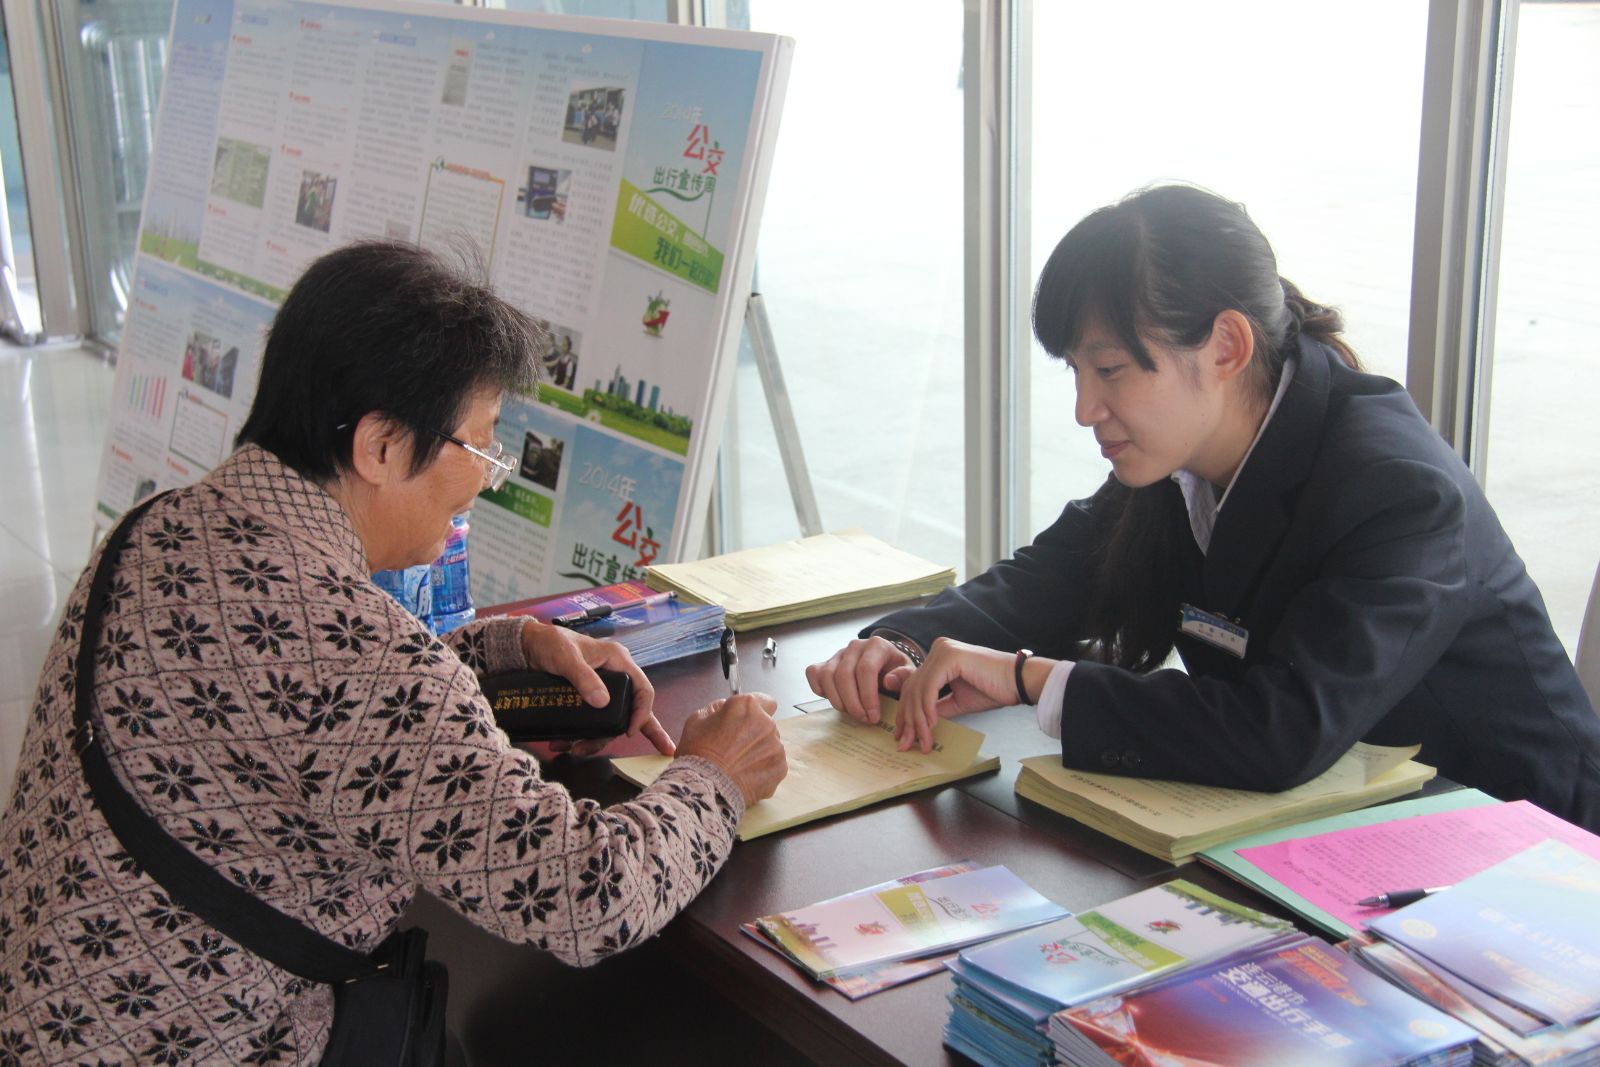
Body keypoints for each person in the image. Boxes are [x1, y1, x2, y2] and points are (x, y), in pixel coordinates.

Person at [0, 240, 787, 1063]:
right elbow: (591, 897)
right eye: (480, 447)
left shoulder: (151, 532)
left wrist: (504, 645)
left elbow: (289, 708)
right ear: (379, 446)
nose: (484, 481)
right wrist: (716, 774)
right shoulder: (364, 663)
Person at [807, 184, 1600, 832]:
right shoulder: (1184, 456)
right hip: (1338, 834)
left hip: (1521, 859)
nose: (1085, 409)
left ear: (1226, 346)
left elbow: (1281, 728)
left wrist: (1027, 679)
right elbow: (1050, 577)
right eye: (1076, 372)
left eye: (1111, 370)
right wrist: (899, 643)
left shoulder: (1398, 489)